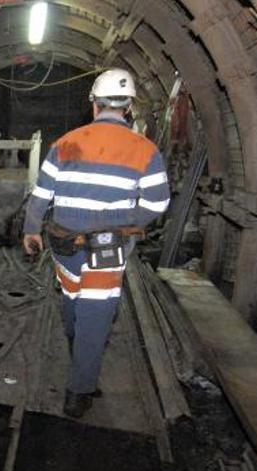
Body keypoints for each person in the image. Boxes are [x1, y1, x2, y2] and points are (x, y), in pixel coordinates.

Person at [21, 68, 170, 418]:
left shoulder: (65, 144)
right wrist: (128, 223)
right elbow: (157, 204)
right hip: (109, 247)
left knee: (72, 298)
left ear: (94, 105)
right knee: (97, 314)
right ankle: (79, 390)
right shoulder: (145, 150)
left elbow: (40, 196)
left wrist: (30, 231)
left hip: (63, 244)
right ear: (129, 107)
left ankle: (77, 351)